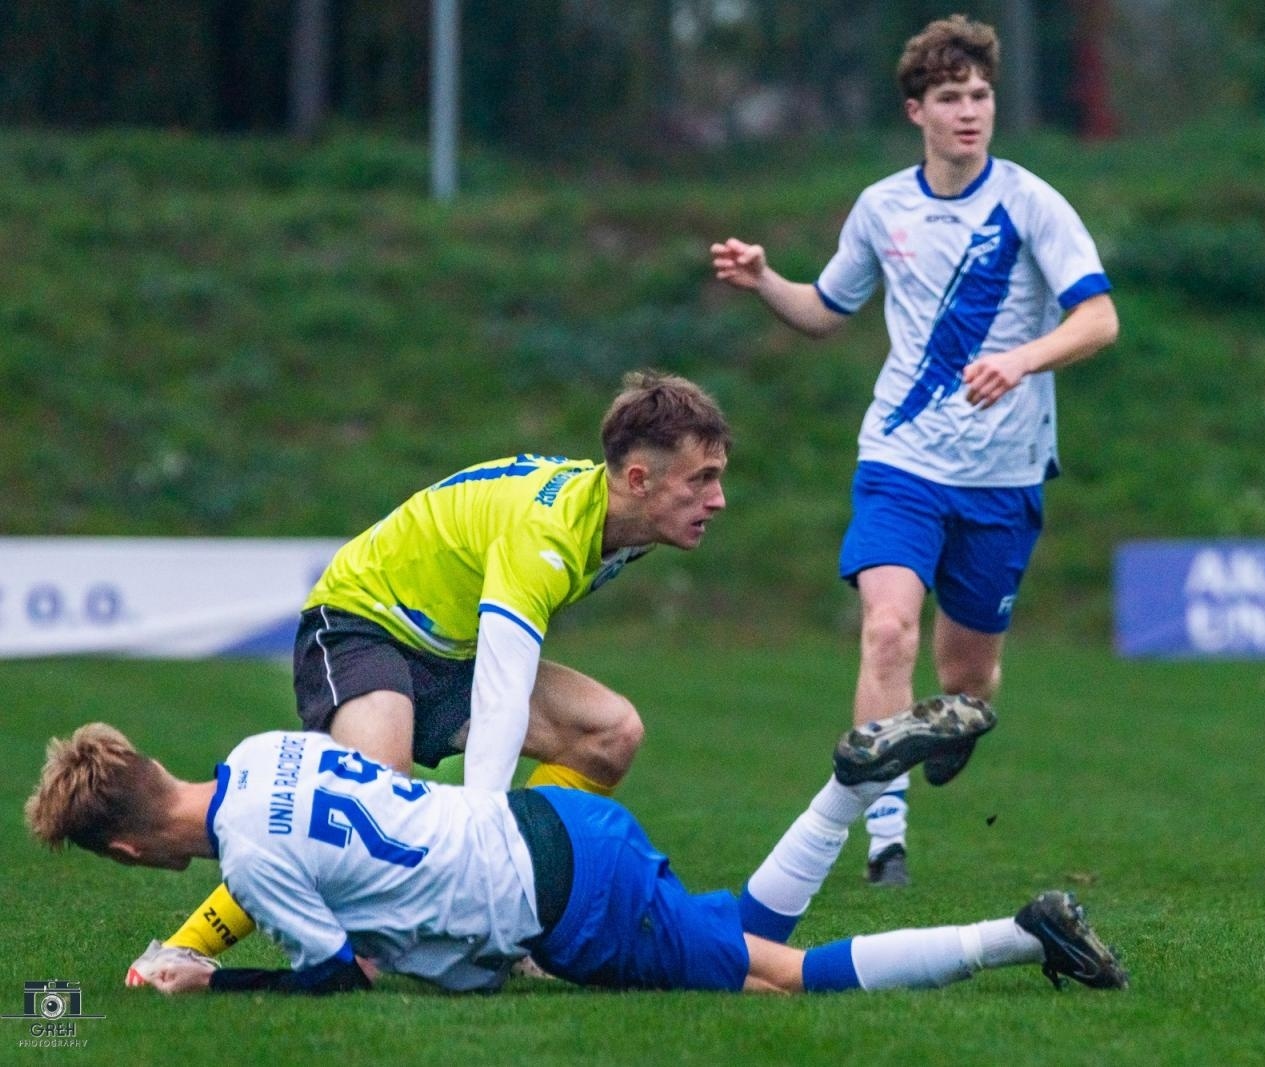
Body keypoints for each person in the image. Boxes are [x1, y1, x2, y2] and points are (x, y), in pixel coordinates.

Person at [130, 369, 732, 981]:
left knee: (610, 732)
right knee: (374, 803)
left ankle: (519, 914)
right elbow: (501, 696)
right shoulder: (544, 537)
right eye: (701, 480)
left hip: (447, 648)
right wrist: (480, 851)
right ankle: (185, 947)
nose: (718, 499)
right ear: (637, 479)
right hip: (363, 623)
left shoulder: (630, 521)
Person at [710, 15, 1119, 886]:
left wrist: (1020, 359)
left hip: (1004, 477)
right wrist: (763, 282)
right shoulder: (881, 207)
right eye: (949, 97)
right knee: (889, 630)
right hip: (900, 460)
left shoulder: (1031, 202)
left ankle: (957, 722)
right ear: (915, 111)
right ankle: (883, 832)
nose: (969, 111)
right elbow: (825, 310)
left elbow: (1099, 319)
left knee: (969, 677)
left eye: (980, 95)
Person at [26, 697, 1128, 996]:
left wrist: (207, 980)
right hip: (551, 821)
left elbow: (328, 980)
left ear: (124, 851)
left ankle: (1021, 936)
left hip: (560, 899)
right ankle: (845, 790)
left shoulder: (249, 861)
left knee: (775, 976)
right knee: (735, 934)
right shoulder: (264, 747)